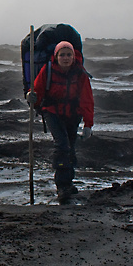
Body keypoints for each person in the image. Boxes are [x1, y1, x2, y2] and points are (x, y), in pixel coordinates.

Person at [27, 40, 94, 204]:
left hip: (73, 114)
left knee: (70, 147)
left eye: (68, 54)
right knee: (62, 145)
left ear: (73, 56)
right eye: (62, 54)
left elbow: (87, 99)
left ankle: (68, 183)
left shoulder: (80, 73)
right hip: (52, 113)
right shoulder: (48, 70)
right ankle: (62, 186)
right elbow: (37, 90)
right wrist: (31, 97)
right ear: (56, 56)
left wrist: (88, 124)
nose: (65, 58)